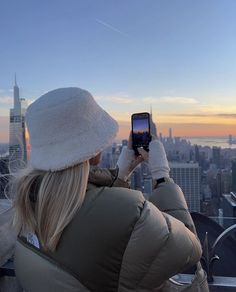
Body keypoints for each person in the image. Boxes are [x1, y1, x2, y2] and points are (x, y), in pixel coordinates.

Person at [13, 87, 202, 292]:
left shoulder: (27, 207)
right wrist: (162, 176)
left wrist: (119, 175)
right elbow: (190, 249)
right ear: (93, 151)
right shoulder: (130, 214)